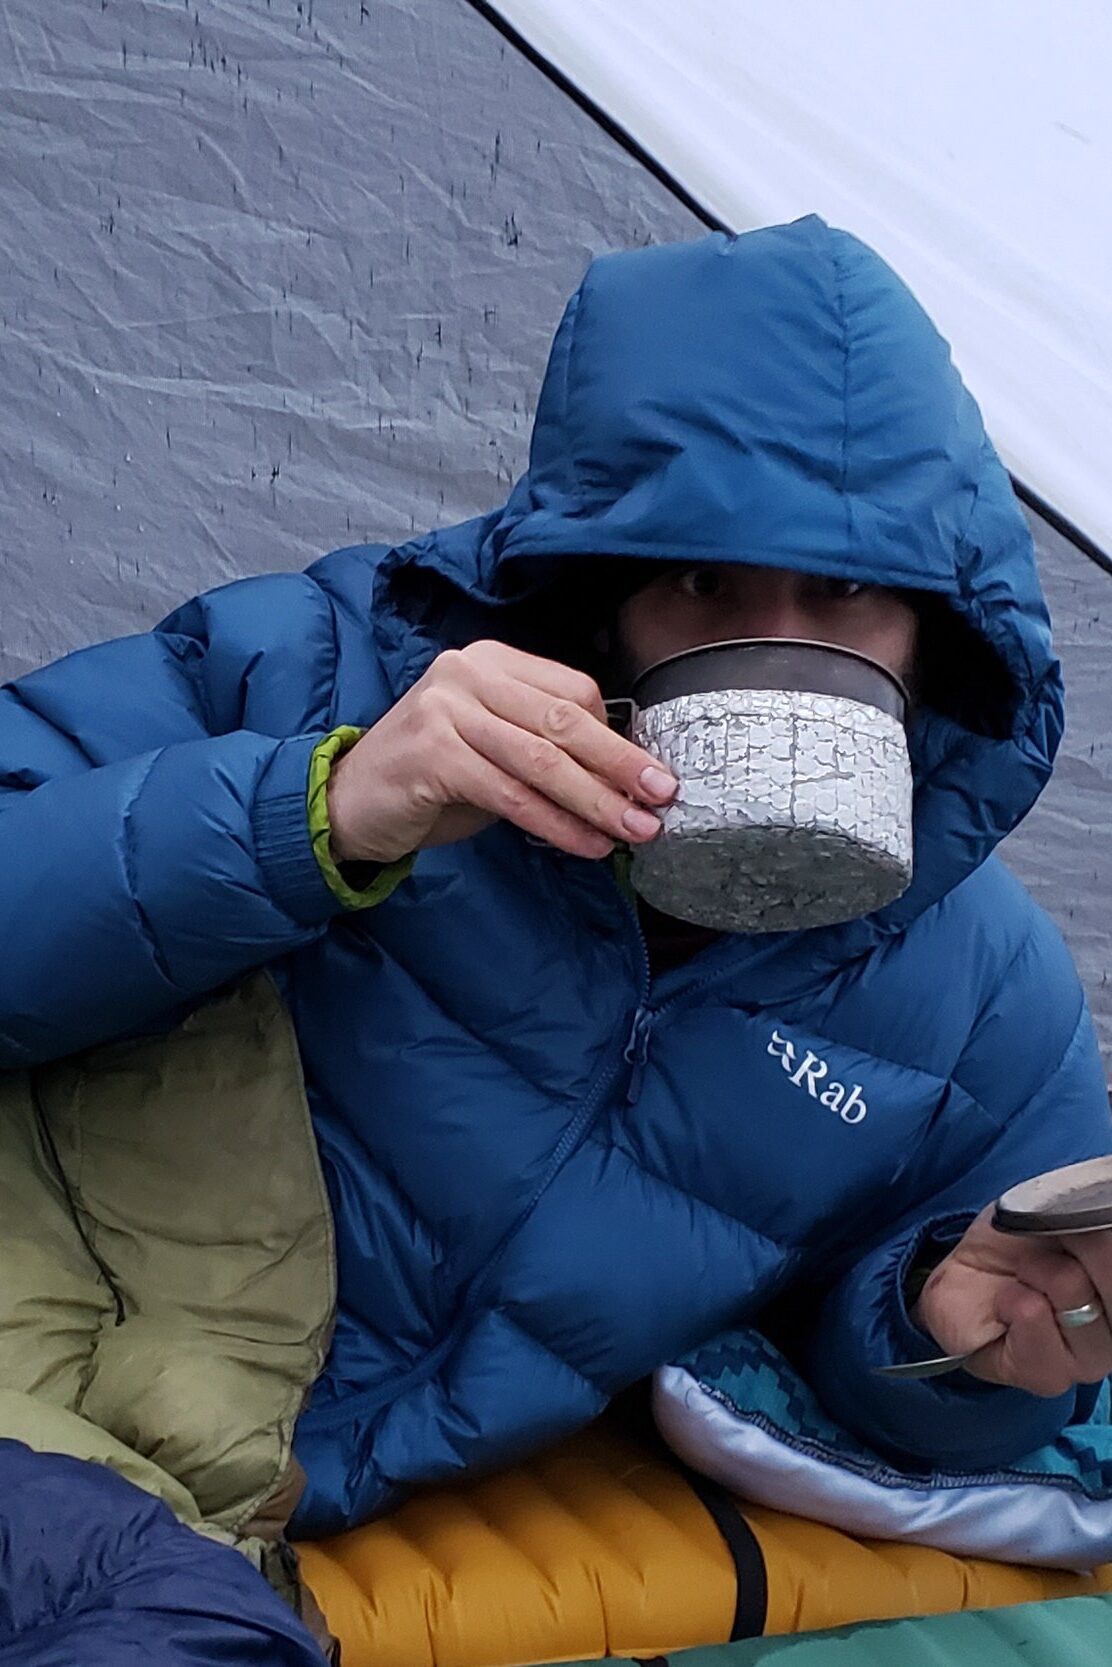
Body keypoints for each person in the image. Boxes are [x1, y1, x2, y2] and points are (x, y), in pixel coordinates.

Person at [2, 215, 1110, 1551]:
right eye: (704, 583)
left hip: (248, 1523)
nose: (779, 648)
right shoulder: (320, 673)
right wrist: (326, 813)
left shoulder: (985, 998)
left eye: (849, 597)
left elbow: (919, 1381)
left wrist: (957, 1343)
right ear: (601, 597)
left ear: (941, 631)